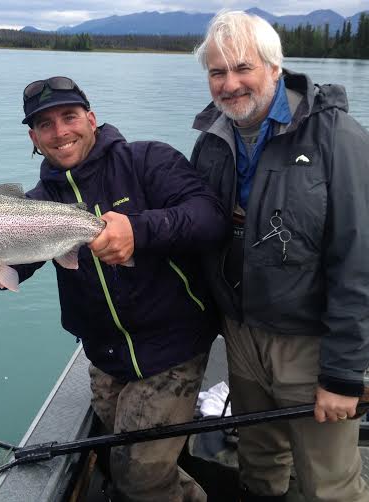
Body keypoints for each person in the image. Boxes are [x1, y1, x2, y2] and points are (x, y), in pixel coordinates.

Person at [0, 76, 229, 501]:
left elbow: (209, 218)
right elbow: (12, 271)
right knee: (125, 460)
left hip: (174, 348)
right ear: (33, 138)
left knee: (139, 474)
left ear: (92, 118)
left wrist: (139, 230)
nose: (60, 132)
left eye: (69, 116)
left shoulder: (147, 160)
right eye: (45, 125)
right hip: (106, 358)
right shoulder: (36, 204)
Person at [190, 10, 369, 502]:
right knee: (260, 459)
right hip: (242, 335)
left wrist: (343, 375)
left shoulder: (338, 138)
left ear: (275, 67)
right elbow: (192, 231)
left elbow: (358, 263)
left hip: (310, 342)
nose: (229, 84)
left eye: (242, 68)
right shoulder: (210, 141)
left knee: (329, 480)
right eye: (217, 72)